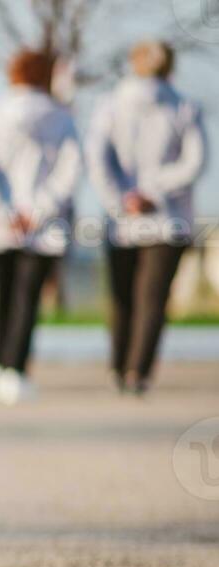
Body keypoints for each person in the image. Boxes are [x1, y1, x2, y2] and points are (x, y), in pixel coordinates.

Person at [86, 40, 207, 396]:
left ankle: (118, 366)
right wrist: (156, 191)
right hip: (168, 221)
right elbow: (195, 162)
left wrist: (123, 198)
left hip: (120, 219)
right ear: (170, 67)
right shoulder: (185, 106)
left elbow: (97, 158)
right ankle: (138, 372)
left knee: (121, 297)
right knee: (152, 299)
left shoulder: (108, 106)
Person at [0, 48, 83, 405]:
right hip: (41, 229)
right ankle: (15, 369)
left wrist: (2, 212)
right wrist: (38, 210)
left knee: (3, 297)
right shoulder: (62, 119)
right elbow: (70, 171)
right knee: (27, 299)